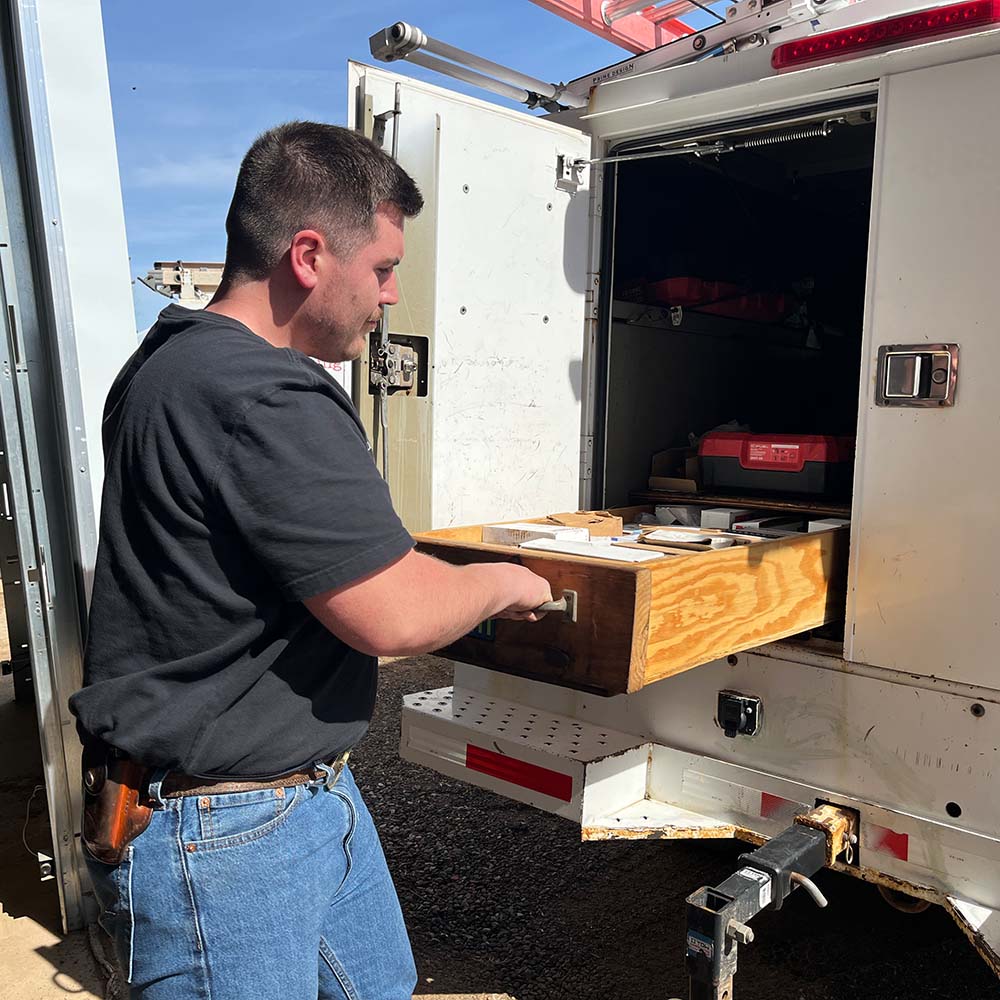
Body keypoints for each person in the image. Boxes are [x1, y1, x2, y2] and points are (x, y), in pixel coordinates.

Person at [70, 121, 553, 1000]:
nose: (393, 295)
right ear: (307, 254)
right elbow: (393, 613)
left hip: (303, 797)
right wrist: (504, 583)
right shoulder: (262, 394)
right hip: (225, 834)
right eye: (382, 268)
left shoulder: (166, 364)